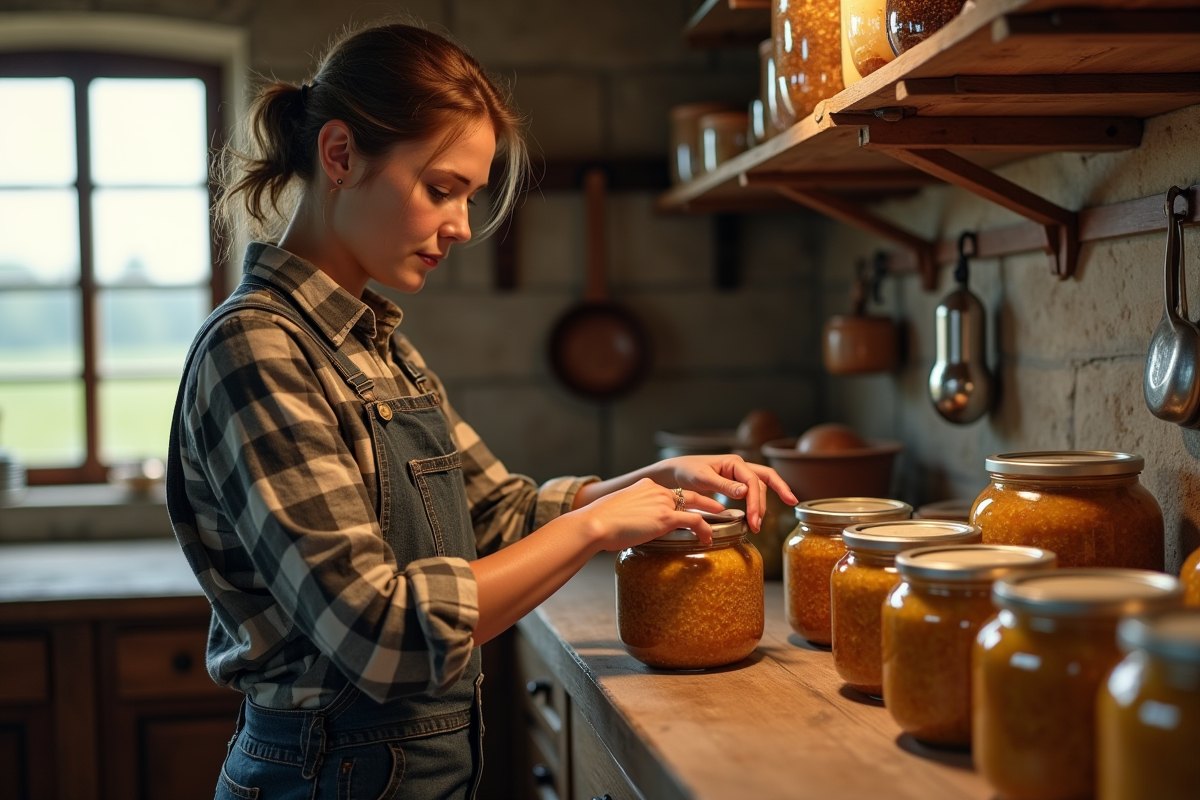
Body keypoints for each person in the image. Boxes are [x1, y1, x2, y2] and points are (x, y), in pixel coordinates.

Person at [165, 20, 796, 800]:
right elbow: (380, 636)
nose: (462, 226)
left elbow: (497, 515)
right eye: (442, 189)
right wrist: (595, 525)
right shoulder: (255, 350)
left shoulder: (380, 344)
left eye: (469, 194)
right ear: (339, 156)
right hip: (325, 774)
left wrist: (643, 485)